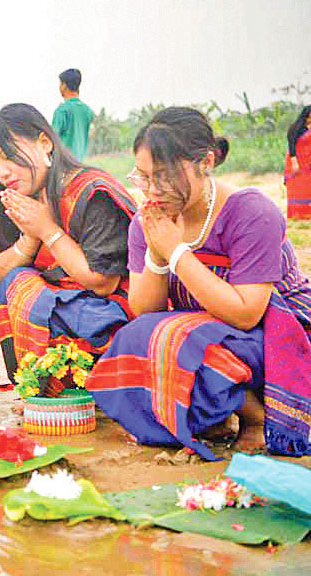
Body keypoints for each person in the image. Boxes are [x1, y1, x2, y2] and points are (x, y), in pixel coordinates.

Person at [88, 107, 311, 460]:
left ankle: (257, 417)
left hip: (279, 327)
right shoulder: (147, 221)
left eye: (164, 176)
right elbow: (146, 310)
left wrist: (177, 252)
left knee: (188, 339)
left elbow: (247, 314)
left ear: (205, 162)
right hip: (210, 325)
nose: (153, 190)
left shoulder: (251, 212)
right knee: (138, 336)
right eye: (144, 177)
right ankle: (214, 415)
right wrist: (158, 254)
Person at [0, 103, 136, 389]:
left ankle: (78, 387)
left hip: (108, 318)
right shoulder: (18, 200)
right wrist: (29, 238)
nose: (2, 171)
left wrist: (47, 229)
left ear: (44, 142)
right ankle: (34, 390)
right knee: (13, 284)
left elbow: (102, 282)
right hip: (62, 310)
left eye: (9, 156)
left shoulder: (92, 192)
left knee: (23, 289)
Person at [52, 69, 94, 161]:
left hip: (64, 165)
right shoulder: (88, 111)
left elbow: (52, 139)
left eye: (60, 83)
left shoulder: (62, 110)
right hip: (80, 164)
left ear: (64, 86)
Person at [284, 105, 311, 220]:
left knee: (307, 188)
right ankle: (296, 215)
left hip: (307, 164)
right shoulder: (295, 129)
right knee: (296, 188)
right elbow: (291, 146)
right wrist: (294, 162)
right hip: (295, 162)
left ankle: (307, 214)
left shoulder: (308, 129)